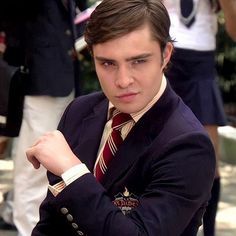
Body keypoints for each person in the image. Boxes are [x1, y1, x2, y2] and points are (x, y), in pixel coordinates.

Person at [26, 0, 216, 235]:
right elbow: (50, 224)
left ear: (165, 55)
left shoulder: (187, 144)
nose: (123, 80)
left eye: (138, 61)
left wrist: (73, 172)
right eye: (107, 63)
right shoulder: (79, 112)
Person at [0, 1, 87, 235]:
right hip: (38, 72)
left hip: (61, 71)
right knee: (37, 160)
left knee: (35, 151)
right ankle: (27, 225)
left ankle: (13, 211)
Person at [162, 0, 233, 235]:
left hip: (202, 60)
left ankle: (209, 231)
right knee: (161, 146)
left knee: (209, 155)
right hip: (166, 54)